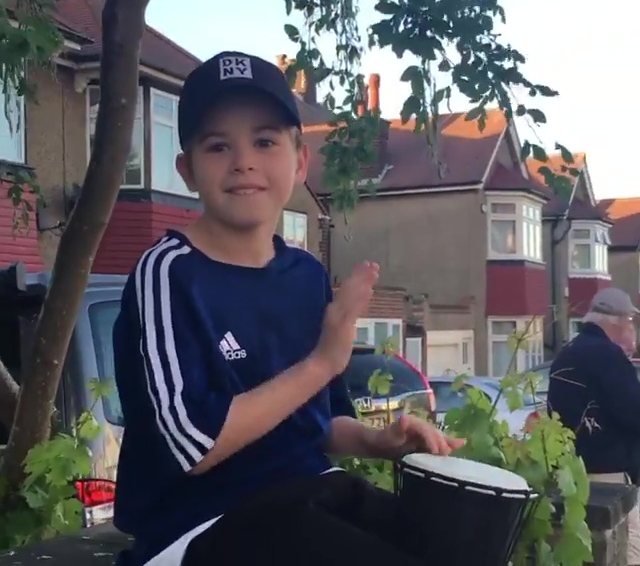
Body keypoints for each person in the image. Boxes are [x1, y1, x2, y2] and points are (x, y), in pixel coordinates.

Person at [111, 51, 465, 566]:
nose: (243, 161)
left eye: (264, 140)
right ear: (187, 170)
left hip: (307, 494)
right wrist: (322, 360)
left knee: (449, 541)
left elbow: (321, 421)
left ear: (299, 162)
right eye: (217, 145)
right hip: (199, 524)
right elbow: (194, 445)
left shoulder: (305, 276)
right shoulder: (168, 273)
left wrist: (377, 441)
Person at [547, 287, 640, 565]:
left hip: (573, 478)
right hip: (611, 479)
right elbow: (634, 413)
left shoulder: (566, 354)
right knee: (629, 552)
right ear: (618, 322)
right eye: (631, 322)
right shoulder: (608, 357)